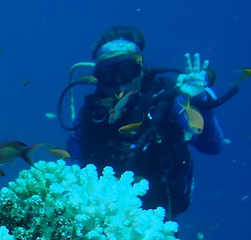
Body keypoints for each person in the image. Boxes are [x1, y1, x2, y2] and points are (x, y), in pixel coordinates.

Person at [64, 26, 232, 218]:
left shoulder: (166, 101)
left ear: (140, 68)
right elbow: (73, 171)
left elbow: (212, 146)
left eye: (126, 70)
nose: (119, 81)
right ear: (98, 78)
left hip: (158, 217)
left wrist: (199, 102)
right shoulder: (89, 116)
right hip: (98, 214)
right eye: (108, 74)